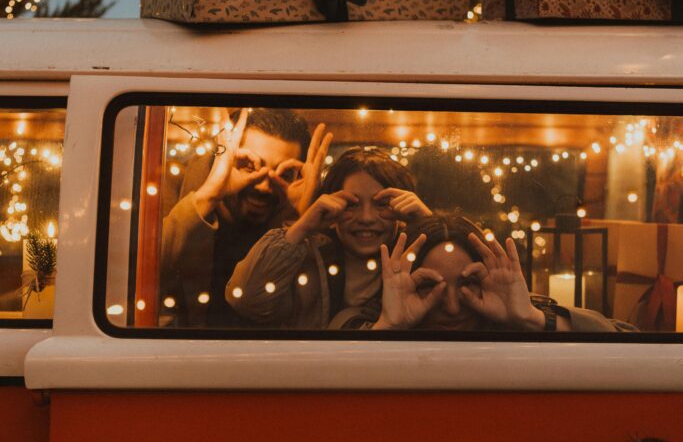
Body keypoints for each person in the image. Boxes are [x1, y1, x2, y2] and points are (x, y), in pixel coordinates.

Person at [226, 146, 433, 329]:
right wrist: (303, 226)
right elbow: (246, 300)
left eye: (381, 204)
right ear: (331, 209)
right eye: (352, 204)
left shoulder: (417, 266)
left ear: (402, 213)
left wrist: (430, 227)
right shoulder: (305, 264)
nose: (366, 218)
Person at [161, 106, 330, 326]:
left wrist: (302, 219)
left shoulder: (298, 224)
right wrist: (209, 196)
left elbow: (308, 316)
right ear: (222, 160)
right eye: (249, 166)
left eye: (284, 173)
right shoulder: (170, 194)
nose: (263, 186)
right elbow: (135, 275)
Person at [371, 212, 637, 333]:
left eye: (468, 284)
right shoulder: (369, 320)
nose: (452, 307)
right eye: (430, 286)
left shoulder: (516, 315)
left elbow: (630, 340)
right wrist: (389, 326)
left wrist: (531, 318)